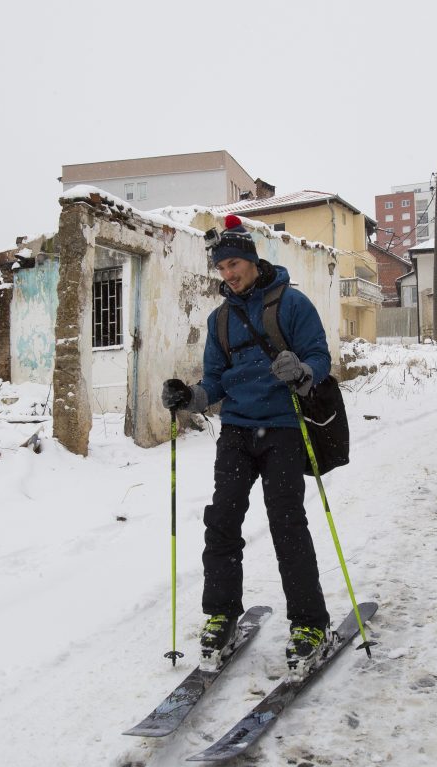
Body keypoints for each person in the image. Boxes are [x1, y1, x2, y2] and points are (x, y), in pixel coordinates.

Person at [161, 215, 332, 678]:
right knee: (222, 521)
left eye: (234, 263)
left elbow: (320, 355)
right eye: (222, 267)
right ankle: (221, 614)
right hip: (236, 430)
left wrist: (302, 371)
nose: (229, 274)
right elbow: (213, 384)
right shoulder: (220, 320)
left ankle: (310, 624)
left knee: (286, 523)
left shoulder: (292, 304)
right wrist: (189, 398)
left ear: (253, 261)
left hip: (283, 430)